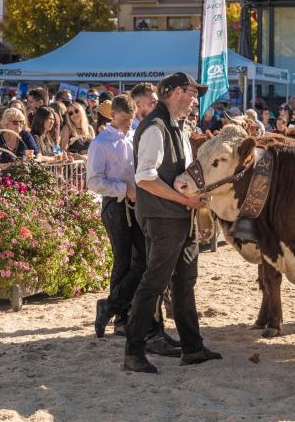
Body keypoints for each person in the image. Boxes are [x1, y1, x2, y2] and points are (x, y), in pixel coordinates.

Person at [125, 72, 220, 373]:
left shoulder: (176, 127)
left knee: (184, 283)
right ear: (176, 92)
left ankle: (192, 348)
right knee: (154, 283)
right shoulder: (155, 127)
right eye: (192, 93)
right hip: (164, 217)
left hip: (180, 216)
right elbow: (145, 178)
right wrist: (186, 201)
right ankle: (133, 351)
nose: (195, 99)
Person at [89, 95, 147, 340]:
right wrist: (124, 189)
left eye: (131, 120)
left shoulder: (133, 136)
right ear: (112, 116)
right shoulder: (100, 143)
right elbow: (93, 182)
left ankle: (111, 306)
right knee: (122, 261)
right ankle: (121, 317)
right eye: (124, 119)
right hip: (115, 205)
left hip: (135, 204)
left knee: (142, 259)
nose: (128, 124)